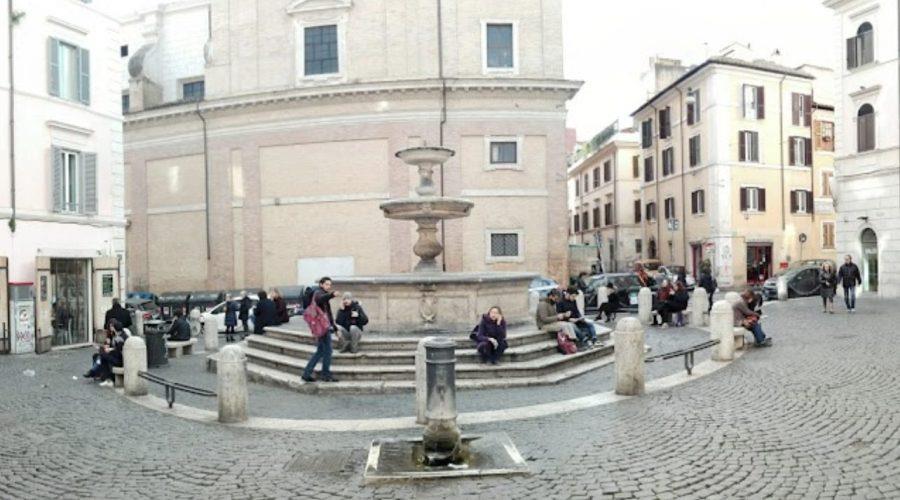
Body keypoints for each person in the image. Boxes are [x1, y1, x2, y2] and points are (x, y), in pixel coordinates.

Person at [302, 277, 339, 382]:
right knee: (327, 351)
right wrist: (331, 295)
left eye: (330, 285)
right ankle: (325, 375)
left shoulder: (323, 294)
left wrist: (335, 328)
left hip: (322, 326)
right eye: (327, 284)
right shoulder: (318, 293)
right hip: (322, 327)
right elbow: (320, 299)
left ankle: (307, 373)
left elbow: (329, 314)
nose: (329, 286)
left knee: (320, 351)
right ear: (321, 284)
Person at [84, 319, 129, 386]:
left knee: (102, 355)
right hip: (115, 356)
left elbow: (118, 351)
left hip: (119, 359)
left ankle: (95, 372)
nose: (111, 328)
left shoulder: (120, 338)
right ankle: (97, 373)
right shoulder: (115, 335)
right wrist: (107, 347)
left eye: (112, 327)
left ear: (115, 328)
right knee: (98, 355)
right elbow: (113, 347)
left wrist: (109, 349)